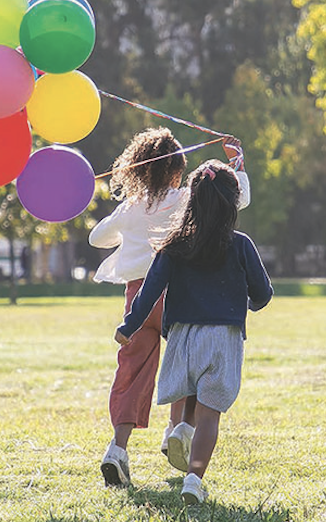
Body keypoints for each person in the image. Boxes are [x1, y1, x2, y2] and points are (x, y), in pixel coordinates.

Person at [91, 128, 250, 487]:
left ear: (139, 171)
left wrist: (128, 219)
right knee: (187, 365)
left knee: (131, 372)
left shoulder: (131, 207)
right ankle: (176, 430)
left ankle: (118, 449)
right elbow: (237, 199)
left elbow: (96, 238)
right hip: (178, 295)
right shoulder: (185, 199)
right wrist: (237, 163)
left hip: (138, 299)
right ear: (178, 171)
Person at [114, 159, 272, 504]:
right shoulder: (241, 244)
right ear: (232, 203)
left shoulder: (174, 244)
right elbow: (263, 293)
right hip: (222, 338)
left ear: (191, 200)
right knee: (210, 414)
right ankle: (193, 479)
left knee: (190, 393)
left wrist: (129, 326)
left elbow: (149, 291)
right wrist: (248, 303)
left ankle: (181, 429)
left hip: (182, 337)